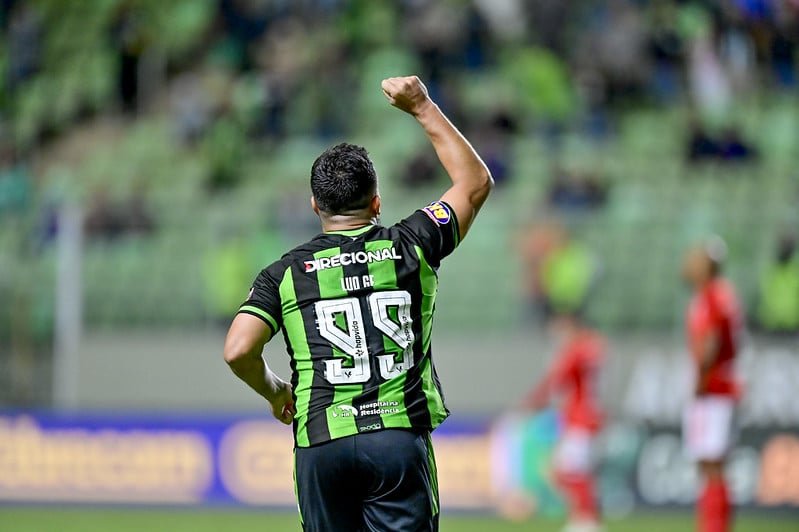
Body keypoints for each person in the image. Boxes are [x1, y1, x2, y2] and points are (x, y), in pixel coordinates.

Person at [222, 76, 492, 531]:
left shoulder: (285, 273)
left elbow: (237, 350)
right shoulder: (413, 245)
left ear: (315, 206)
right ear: (377, 201)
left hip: (322, 443)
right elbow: (474, 182)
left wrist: (275, 392)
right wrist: (421, 106)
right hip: (397, 439)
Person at [522, 312, 606, 532]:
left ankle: (586, 521)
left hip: (579, 419)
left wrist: (534, 401)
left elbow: (555, 379)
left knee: (565, 471)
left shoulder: (575, 350)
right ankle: (585, 519)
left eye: (561, 329)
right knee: (574, 471)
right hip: (590, 417)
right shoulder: (593, 348)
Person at [681, 238, 742, 532]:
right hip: (724, 387)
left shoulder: (710, 296)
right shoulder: (723, 294)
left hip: (714, 389)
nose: (688, 264)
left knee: (710, 463)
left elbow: (711, 342)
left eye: (695, 259)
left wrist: (700, 380)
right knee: (713, 465)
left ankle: (713, 527)